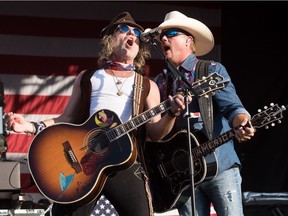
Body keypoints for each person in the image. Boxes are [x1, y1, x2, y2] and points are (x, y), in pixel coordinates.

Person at [4, 11, 187, 216]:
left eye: (136, 32)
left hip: (123, 162)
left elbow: (155, 132)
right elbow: (66, 119)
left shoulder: (147, 86)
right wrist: (29, 127)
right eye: (124, 29)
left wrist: (172, 114)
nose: (132, 34)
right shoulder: (88, 78)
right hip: (81, 165)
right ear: (110, 39)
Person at [152, 11, 256, 216]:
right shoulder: (160, 82)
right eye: (162, 35)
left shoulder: (211, 70)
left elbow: (233, 108)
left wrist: (243, 122)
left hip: (220, 165)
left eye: (171, 33)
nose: (164, 38)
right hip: (182, 173)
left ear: (188, 41)